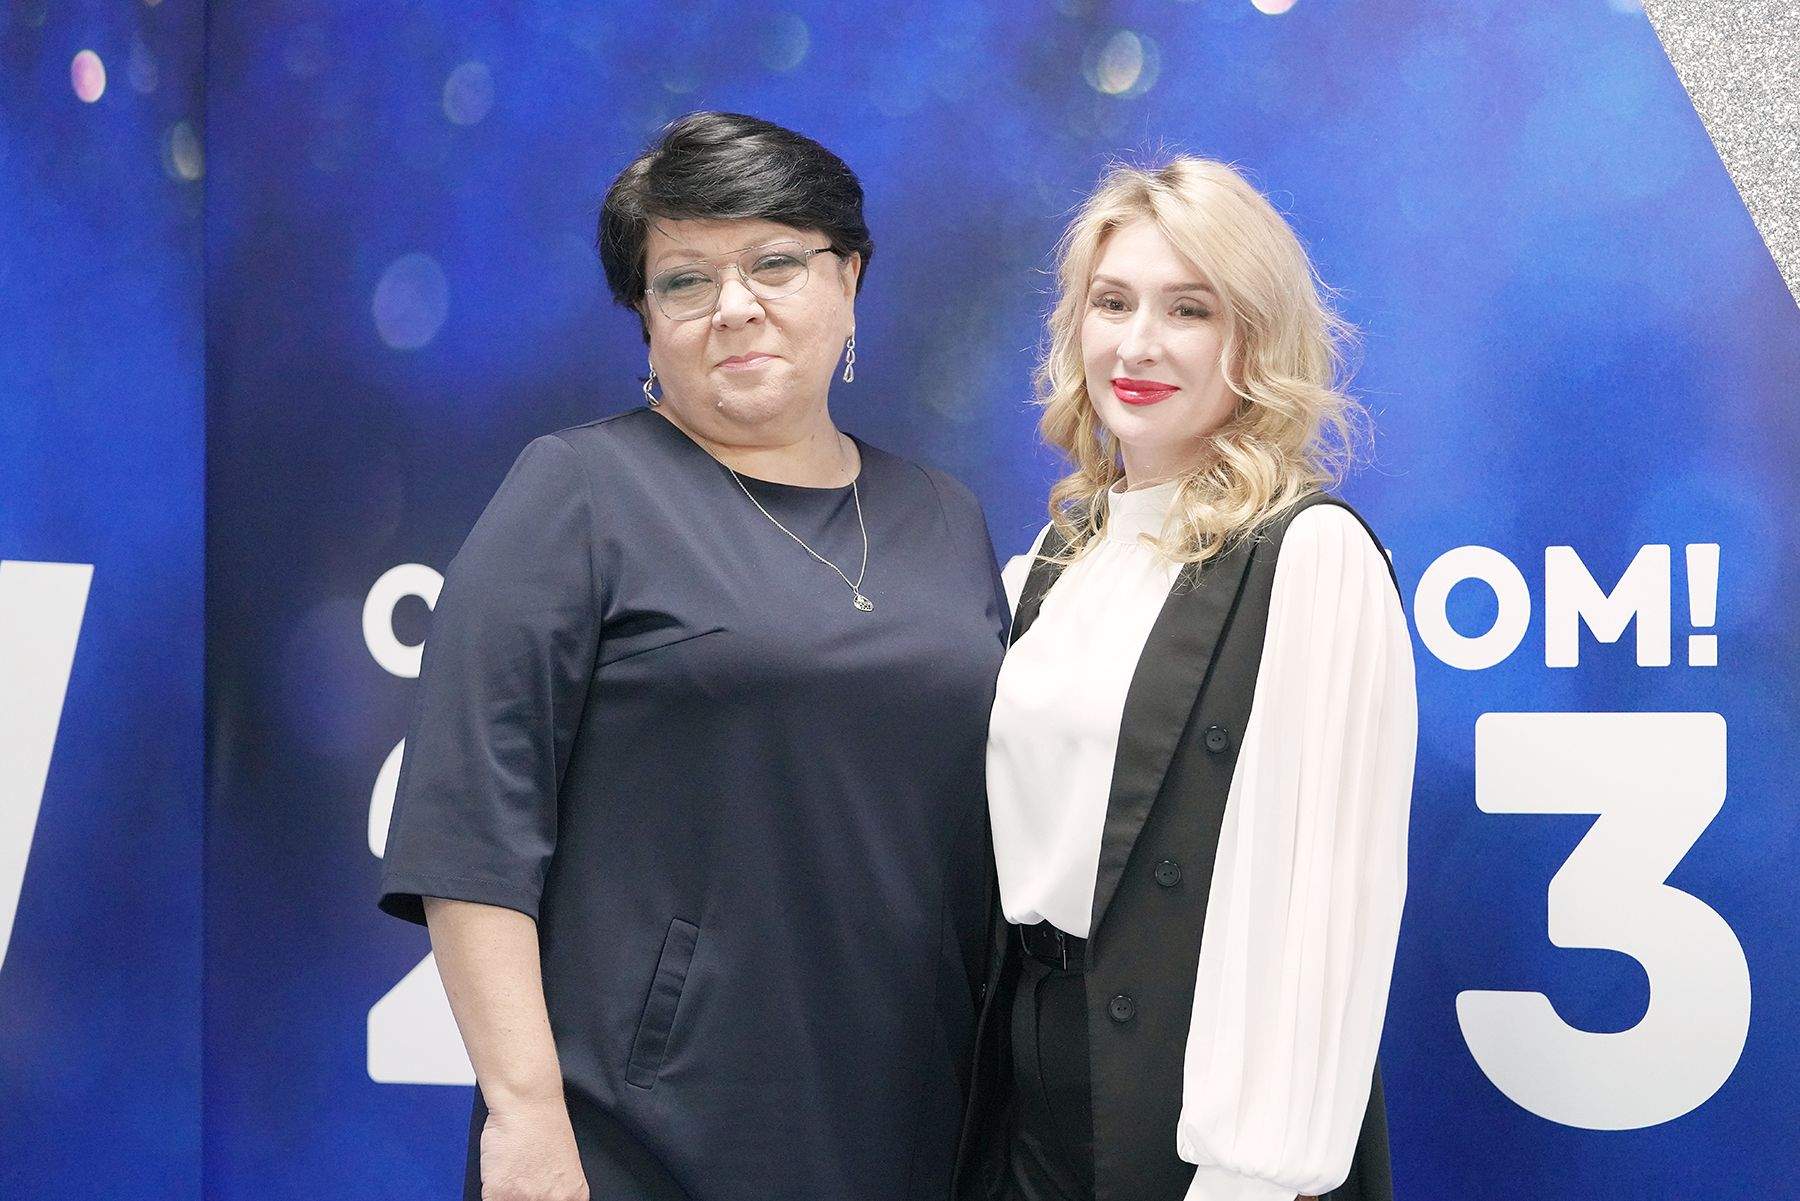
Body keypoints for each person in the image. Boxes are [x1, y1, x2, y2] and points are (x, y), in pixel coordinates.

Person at [377, 111, 1007, 1201]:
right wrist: (525, 1115)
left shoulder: (943, 516)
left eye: (776, 262)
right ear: (645, 320)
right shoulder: (577, 493)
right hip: (643, 1139)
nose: (736, 305)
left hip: (910, 1120)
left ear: (850, 279)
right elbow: (468, 829)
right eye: (685, 280)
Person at [954, 157, 1417, 1201]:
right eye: (1112, 302)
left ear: (1255, 339)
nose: (1138, 344)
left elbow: (1322, 911)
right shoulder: (1057, 561)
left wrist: (1250, 1174)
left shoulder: (1311, 556)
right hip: (1029, 1101)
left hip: (1200, 1118)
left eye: (1189, 309)